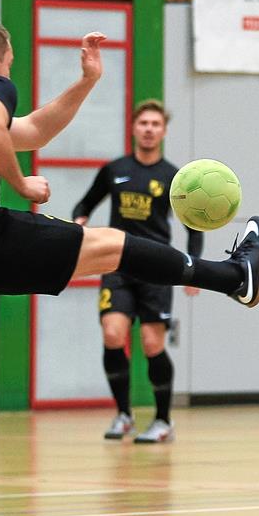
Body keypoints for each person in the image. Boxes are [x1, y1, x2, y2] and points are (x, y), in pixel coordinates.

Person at [0, 17, 259, 516]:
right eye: (11, 63)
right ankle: (233, 277)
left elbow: (34, 130)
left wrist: (87, 82)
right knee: (111, 245)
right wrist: (19, 181)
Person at [72, 99, 200, 444]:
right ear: (133, 127)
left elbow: (195, 226)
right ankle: (123, 415)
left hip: (157, 268)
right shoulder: (114, 170)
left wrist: (193, 269)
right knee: (113, 334)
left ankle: (162, 421)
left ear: (164, 131)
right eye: (143, 123)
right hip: (116, 264)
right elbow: (84, 203)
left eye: (155, 124)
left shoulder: (174, 178)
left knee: (151, 343)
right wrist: (78, 221)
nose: (148, 129)